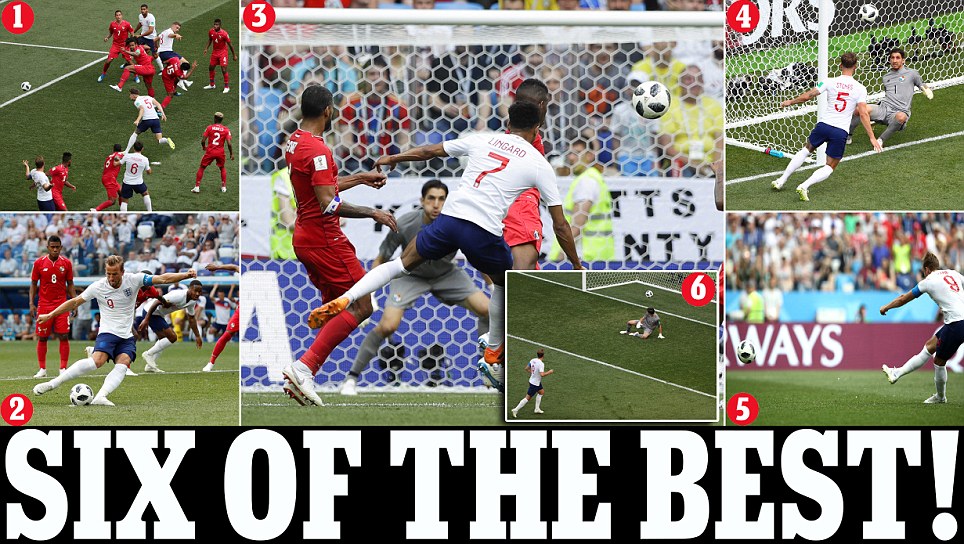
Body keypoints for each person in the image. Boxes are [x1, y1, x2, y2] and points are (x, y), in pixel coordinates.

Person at [309, 101, 583, 393]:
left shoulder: (483, 139)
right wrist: (576, 265)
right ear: (537, 128)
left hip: (450, 220)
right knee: (508, 284)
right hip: (483, 231)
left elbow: (429, 151)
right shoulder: (539, 163)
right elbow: (560, 225)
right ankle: (492, 354)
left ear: (508, 120)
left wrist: (394, 158)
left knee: (400, 264)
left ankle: (348, 298)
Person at [279, 84, 395, 407]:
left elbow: (322, 185)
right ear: (328, 111)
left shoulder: (295, 141)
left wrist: (359, 177)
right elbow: (328, 202)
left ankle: (306, 370)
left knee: (342, 305)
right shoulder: (318, 151)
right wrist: (373, 212)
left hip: (305, 237)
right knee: (362, 305)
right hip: (325, 239)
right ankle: (304, 367)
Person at [340, 180, 490, 396]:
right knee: (388, 325)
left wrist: (492, 287)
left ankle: (487, 365)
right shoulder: (406, 223)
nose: (436, 205)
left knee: (489, 309)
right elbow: (382, 258)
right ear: (422, 201)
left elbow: (478, 257)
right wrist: (369, 293)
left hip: (447, 274)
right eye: (431, 199)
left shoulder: (458, 225)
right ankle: (351, 379)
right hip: (410, 275)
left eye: (441, 199)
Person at [32, 257, 197, 406]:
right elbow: (74, 302)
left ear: (123, 272)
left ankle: (100, 397)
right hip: (108, 332)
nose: (111, 278)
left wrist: (185, 276)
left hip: (126, 335)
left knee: (123, 363)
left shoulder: (134, 279)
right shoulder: (98, 286)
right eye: (108, 274)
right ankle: (53, 383)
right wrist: (51, 315)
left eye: (115, 274)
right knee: (96, 362)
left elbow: (163, 278)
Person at [771, 52, 882, 201]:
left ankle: (781, 180)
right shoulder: (860, 88)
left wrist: (790, 101)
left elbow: (808, 95)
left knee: (806, 149)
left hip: (824, 125)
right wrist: (872, 137)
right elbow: (863, 114)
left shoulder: (829, 81)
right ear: (856, 66)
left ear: (840, 65)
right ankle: (804, 185)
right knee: (830, 165)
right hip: (840, 130)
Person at [880, 252, 964, 404]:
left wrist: (886, 307)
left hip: (956, 323)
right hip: (957, 321)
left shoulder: (928, 281)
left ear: (926, 269)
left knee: (939, 361)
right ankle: (896, 373)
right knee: (929, 347)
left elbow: (903, 298)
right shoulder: (954, 274)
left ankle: (940, 397)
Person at [503, 78, 552, 271]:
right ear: (541, 105)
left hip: (505, 208)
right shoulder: (529, 139)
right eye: (546, 105)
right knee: (522, 279)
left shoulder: (512, 133)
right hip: (521, 209)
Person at [848, 48, 933, 147]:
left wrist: (926, 90)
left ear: (903, 60)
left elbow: (921, 83)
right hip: (884, 108)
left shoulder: (912, 73)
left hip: (899, 111)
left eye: (898, 58)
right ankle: (848, 136)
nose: (895, 60)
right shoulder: (886, 77)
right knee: (859, 109)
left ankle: (880, 140)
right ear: (889, 60)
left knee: (901, 117)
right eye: (892, 58)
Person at [30, 236, 76, 378]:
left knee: (63, 335)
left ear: (61, 247)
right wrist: (31, 303)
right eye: (52, 247)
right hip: (44, 305)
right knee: (42, 337)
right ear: (48, 247)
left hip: (62, 304)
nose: (55, 249)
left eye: (57, 247)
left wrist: (74, 302)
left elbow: (70, 284)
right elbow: (33, 284)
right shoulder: (39, 263)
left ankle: (63, 368)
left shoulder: (67, 263)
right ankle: (42, 369)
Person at [135, 280, 204, 372]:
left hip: (158, 314)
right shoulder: (178, 295)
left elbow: (191, 319)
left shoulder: (192, 301)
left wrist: (198, 336)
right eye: (195, 290)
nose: (197, 293)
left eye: (199, 292)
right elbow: (157, 302)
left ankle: (150, 366)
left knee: (162, 341)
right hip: (150, 311)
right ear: (189, 289)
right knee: (172, 337)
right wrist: (147, 319)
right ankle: (148, 354)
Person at [204, 263, 240, 372]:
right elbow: (234, 267)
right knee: (226, 336)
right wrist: (217, 267)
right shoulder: (244, 269)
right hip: (241, 311)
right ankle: (211, 363)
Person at [193, 112, 234, 193]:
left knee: (202, 167)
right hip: (220, 152)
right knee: (222, 168)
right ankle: (224, 187)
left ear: (215, 118)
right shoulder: (226, 130)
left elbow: (203, 140)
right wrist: (231, 153)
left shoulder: (209, 128)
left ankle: (197, 187)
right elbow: (229, 143)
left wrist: (204, 147)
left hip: (210, 151)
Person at [123, 87, 173, 153]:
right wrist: (163, 114)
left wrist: (138, 120)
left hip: (147, 120)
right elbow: (158, 104)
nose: (130, 96)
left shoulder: (137, 101)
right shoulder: (148, 97)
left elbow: (142, 109)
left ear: (134, 95)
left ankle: (126, 151)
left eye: (130, 95)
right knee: (159, 140)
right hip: (156, 120)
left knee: (135, 134)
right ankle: (166, 140)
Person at [510, 349, 554, 417]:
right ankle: (516, 409)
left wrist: (533, 373)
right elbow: (542, 374)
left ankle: (537, 409)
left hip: (533, 381)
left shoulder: (533, 360)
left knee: (541, 392)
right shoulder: (541, 364)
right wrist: (549, 372)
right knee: (527, 398)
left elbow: (526, 368)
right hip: (535, 384)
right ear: (543, 356)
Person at [116, 141, 153, 212]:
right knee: (145, 193)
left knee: (124, 200)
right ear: (142, 149)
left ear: (133, 148)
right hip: (138, 182)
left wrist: (116, 159)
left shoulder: (127, 156)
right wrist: (149, 168)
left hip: (127, 182)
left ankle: (124, 213)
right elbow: (149, 172)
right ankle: (150, 211)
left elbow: (118, 163)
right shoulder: (145, 159)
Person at [99, 10, 135, 83]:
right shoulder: (112, 24)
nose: (118, 16)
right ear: (115, 16)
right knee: (108, 61)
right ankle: (103, 74)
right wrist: (107, 37)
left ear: (122, 16)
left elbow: (132, 32)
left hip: (124, 45)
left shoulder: (127, 24)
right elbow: (111, 33)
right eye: (117, 15)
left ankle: (136, 76)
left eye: (119, 15)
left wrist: (131, 41)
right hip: (115, 45)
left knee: (129, 61)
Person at [203, 19, 237, 93]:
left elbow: (230, 44)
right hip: (215, 52)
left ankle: (226, 87)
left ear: (220, 25)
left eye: (217, 25)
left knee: (224, 69)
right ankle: (212, 85)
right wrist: (206, 48)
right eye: (214, 24)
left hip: (223, 52)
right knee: (211, 67)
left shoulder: (224, 34)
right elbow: (210, 40)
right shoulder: (211, 31)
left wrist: (234, 55)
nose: (215, 26)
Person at [93, 144, 125, 212]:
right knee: (112, 200)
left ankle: (122, 209)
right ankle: (95, 210)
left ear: (113, 150)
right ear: (121, 150)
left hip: (108, 177)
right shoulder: (118, 155)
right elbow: (118, 157)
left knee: (121, 192)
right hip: (110, 179)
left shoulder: (109, 156)